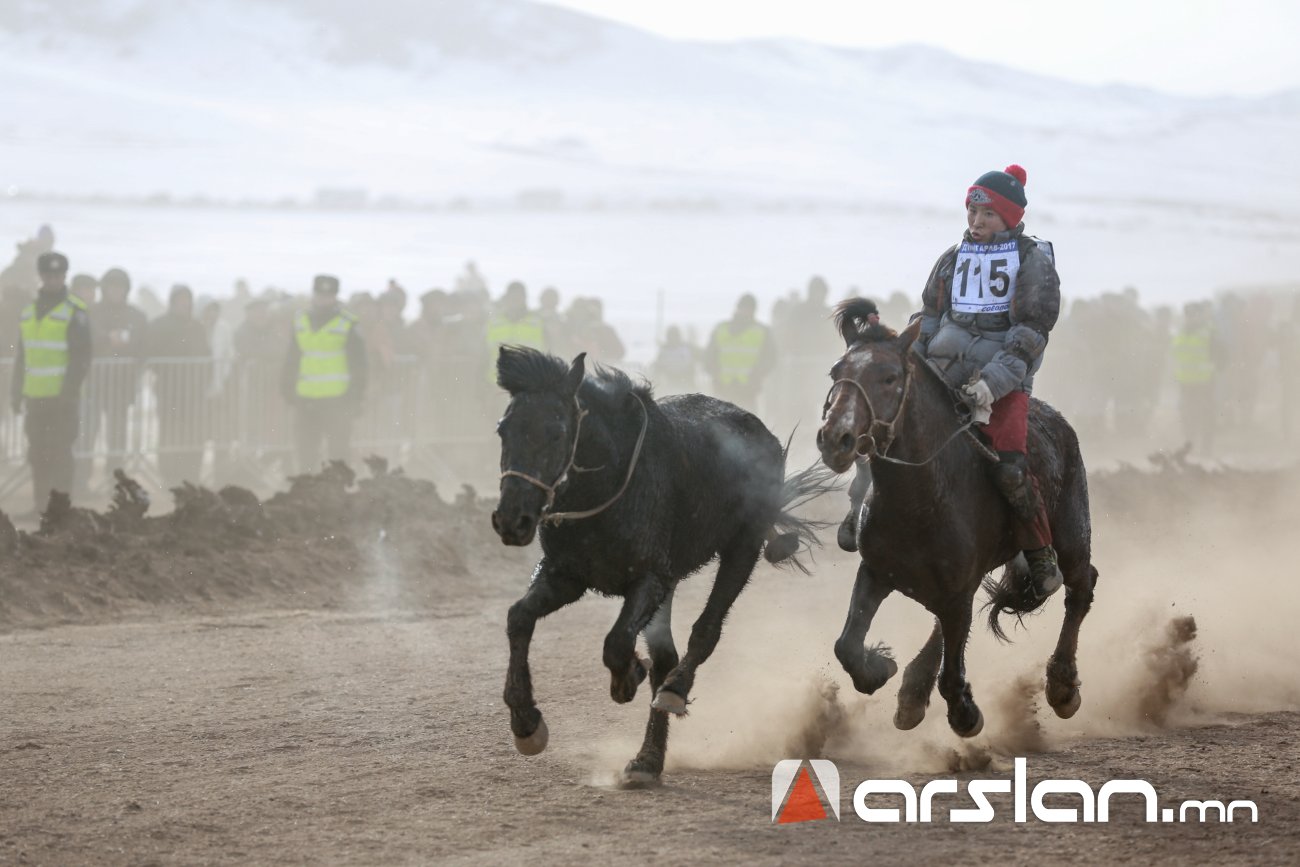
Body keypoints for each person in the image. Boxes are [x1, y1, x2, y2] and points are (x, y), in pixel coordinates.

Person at [854, 164, 1062, 599]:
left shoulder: (1032, 260)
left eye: (988, 215)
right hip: (940, 367)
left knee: (1009, 467)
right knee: (885, 424)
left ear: (1010, 217)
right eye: (972, 212)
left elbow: (1030, 333)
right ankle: (861, 511)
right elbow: (929, 317)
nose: (977, 221)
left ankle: (1039, 549)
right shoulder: (952, 258)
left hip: (1004, 380)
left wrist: (994, 383)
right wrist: (902, 351)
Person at [11, 251, 91, 514]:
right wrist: (15, 391)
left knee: (60, 454)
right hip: (35, 398)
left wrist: (68, 392)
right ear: (41, 276)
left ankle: (60, 511)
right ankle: (39, 506)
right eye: (48, 275)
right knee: (37, 455)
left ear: (64, 276)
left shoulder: (74, 312)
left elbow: (82, 358)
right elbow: (23, 356)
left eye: (58, 275)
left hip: (62, 400)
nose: (53, 279)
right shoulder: (28, 313)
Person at [280, 274, 368, 472]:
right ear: (314, 294)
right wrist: (286, 388)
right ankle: (307, 495)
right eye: (320, 294)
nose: (324, 299)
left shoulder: (348, 323)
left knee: (338, 455)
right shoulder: (300, 320)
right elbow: (292, 357)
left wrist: (356, 397)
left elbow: (359, 364)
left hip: (338, 400)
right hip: (306, 399)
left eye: (328, 295)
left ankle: (337, 497)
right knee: (305, 454)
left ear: (335, 296)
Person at [146, 284, 211, 488]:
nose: (185, 304)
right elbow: (151, 355)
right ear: (172, 302)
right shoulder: (159, 325)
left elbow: (206, 356)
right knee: (170, 435)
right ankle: (170, 477)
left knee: (194, 435)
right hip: (169, 392)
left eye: (188, 300)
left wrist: (203, 381)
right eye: (181, 300)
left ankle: (192, 475)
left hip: (194, 393)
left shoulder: (197, 327)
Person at [704, 293, 776, 413]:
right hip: (723, 390)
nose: (746, 311)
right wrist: (716, 376)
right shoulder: (721, 329)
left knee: (748, 428)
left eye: (749, 308)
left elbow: (771, 358)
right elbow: (708, 358)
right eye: (744, 307)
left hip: (748, 391)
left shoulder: (762, 332)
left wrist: (757, 375)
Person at [1171, 300, 1221, 453]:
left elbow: (1222, 356)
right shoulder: (1180, 332)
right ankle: (1189, 446)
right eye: (1188, 314)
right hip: (1185, 382)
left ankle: (1206, 448)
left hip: (1205, 382)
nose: (1191, 317)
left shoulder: (1210, 332)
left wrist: (1214, 370)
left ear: (1201, 315)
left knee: (1206, 415)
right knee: (1187, 416)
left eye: (1195, 314)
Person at [484, 281, 546, 381]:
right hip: (497, 382)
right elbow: (484, 353)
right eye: (512, 297)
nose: (515, 300)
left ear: (525, 298)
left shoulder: (538, 322)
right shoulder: (494, 323)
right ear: (507, 298)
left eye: (519, 297)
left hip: (529, 383)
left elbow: (547, 352)